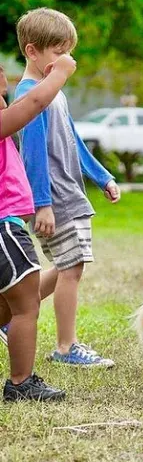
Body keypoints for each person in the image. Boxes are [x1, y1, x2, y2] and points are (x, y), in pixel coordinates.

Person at [7, 8, 121, 367]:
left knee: (71, 264)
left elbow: (73, 140)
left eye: (69, 51)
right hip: (55, 199)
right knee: (71, 267)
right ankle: (65, 347)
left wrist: (102, 176)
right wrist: (42, 204)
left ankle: (8, 317)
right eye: (58, 52)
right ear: (32, 51)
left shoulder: (55, 94)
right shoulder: (31, 96)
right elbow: (34, 156)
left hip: (71, 193)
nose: (66, 60)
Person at [0, 54, 76, 401]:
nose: (5, 100)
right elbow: (30, 104)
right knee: (27, 303)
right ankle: (20, 382)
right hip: (4, 228)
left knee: (8, 304)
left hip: (8, 224)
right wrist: (59, 73)